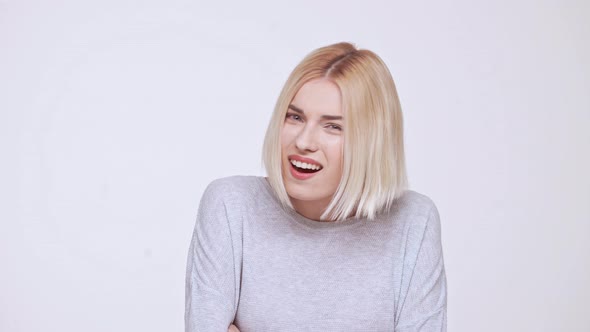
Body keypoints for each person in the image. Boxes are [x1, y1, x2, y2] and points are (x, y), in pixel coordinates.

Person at [185, 42, 447, 331]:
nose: (304, 142)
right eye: (295, 117)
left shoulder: (413, 222)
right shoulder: (231, 207)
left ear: (372, 142)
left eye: (333, 126)